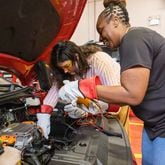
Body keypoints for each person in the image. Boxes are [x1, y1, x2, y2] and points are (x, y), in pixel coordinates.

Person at [58, 2, 165, 165]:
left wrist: (83, 88)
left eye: (101, 30)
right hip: (153, 125)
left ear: (115, 20)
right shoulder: (131, 41)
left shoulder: (133, 38)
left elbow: (132, 95)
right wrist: (86, 105)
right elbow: (123, 97)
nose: (100, 37)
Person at [37, 40, 122, 139]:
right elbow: (53, 93)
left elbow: (116, 99)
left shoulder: (99, 61)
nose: (65, 71)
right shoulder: (67, 72)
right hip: (93, 113)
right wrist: (44, 117)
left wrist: (89, 108)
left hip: (115, 110)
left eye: (67, 66)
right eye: (61, 68)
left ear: (76, 57)